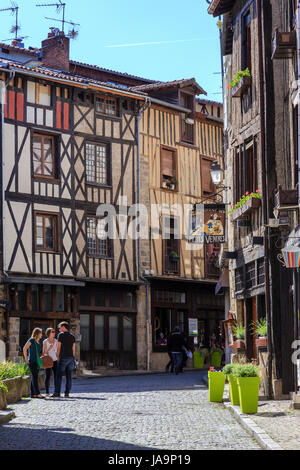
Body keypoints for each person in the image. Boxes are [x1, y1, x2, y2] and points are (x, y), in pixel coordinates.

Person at [52, 322, 75, 398]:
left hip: (63, 357)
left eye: (59, 327)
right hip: (70, 357)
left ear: (63, 327)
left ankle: (57, 392)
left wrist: (57, 356)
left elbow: (58, 347)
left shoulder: (61, 335)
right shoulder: (72, 336)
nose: (58, 329)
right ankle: (67, 393)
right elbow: (73, 349)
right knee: (69, 376)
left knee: (58, 375)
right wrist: (73, 358)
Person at [23, 328, 44, 399]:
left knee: (34, 376)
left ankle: (33, 394)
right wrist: (26, 359)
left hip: (36, 361)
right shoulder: (31, 340)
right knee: (35, 377)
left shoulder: (38, 341)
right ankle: (37, 393)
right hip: (32, 361)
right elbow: (24, 348)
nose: (42, 334)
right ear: (37, 333)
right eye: (41, 333)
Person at [43, 327, 58, 397]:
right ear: (48, 333)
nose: (54, 333)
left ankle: (56, 392)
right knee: (47, 376)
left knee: (56, 377)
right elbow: (43, 353)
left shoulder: (57, 341)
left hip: (55, 360)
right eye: (52, 332)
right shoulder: (45, 341)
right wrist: (49, 348)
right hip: (48, 361)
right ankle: (47, 392)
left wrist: (58, 357)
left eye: (54, 331)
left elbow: (58, 351)